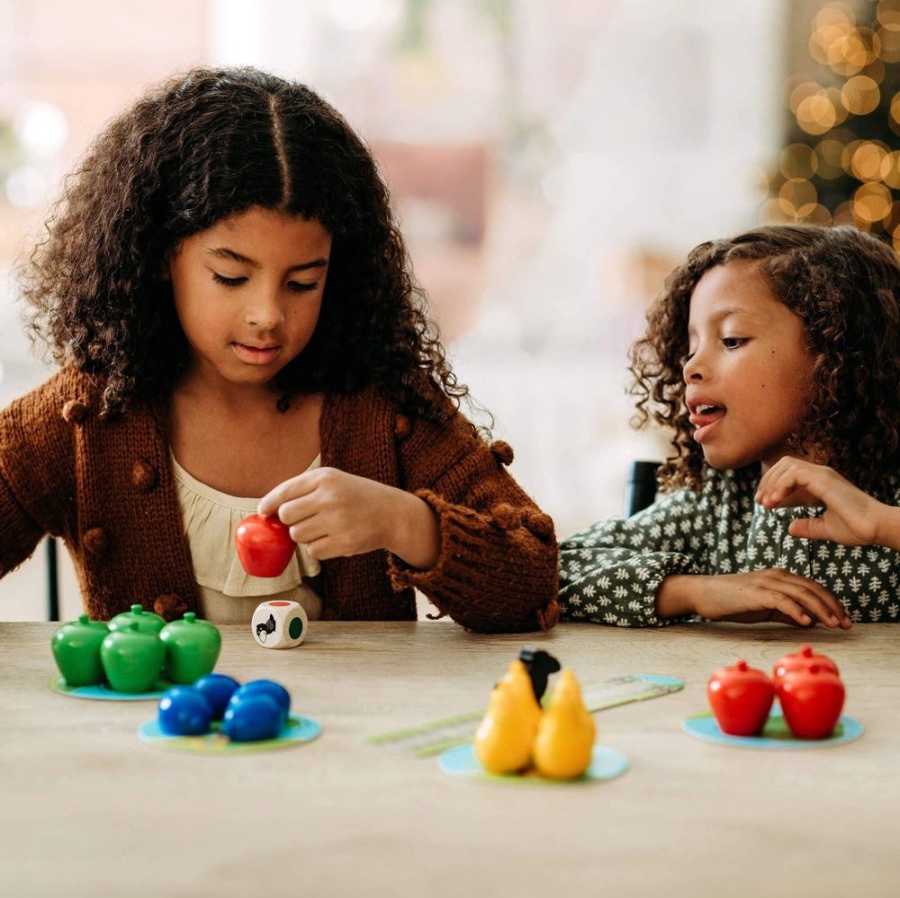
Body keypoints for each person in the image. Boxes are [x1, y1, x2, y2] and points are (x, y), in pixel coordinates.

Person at [1, 66, 558, 634]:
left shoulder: (381, 405)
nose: (267, 315)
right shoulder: (86, 414)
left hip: (358, 723)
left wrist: (407, 524)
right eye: (230, 277)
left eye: (302, 284)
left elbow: (534, 577)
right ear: (162, 258)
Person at [559, 223, 900, 628]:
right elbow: (549, 569)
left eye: (732, 339)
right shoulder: (713, 506)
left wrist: (881, 524)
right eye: (690, 348)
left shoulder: (889, 498)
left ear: (837, 349)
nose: (691, 368)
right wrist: (695, 592)